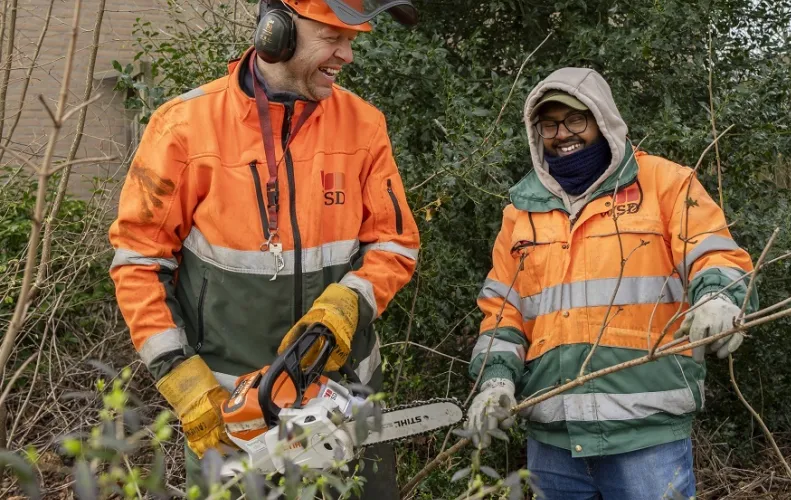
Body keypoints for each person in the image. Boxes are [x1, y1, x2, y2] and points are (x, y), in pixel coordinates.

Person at [108, 1, 420, 496]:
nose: (347, 55)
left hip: (343, 397)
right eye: (332, 37)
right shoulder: (185, 128)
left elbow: (395, 242)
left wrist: (348, 303)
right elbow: (138, 262)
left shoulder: (363, 126)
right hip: (232, 412)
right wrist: (181, 378)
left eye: (352, 39)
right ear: (276, 31)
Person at [465, 67, 758, 499]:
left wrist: (718, 296)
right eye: (550, 124)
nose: (562, 133)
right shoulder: (520, 213)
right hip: (553, 441)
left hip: (647, 437)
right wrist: (494, 379)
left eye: (575, 119)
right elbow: (502, 313)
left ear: (601, 119)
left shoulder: (665, 184)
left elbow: (714, 253)